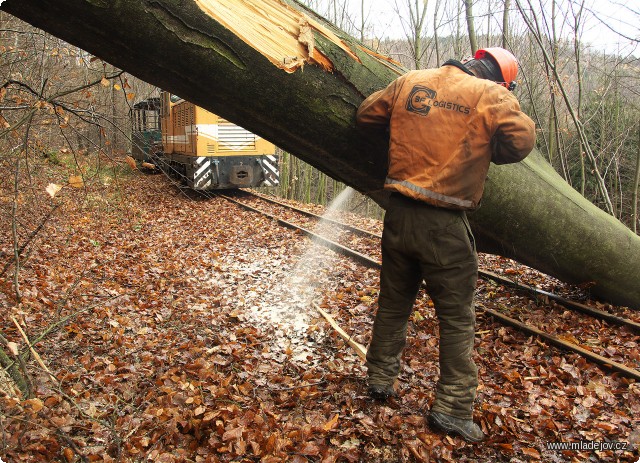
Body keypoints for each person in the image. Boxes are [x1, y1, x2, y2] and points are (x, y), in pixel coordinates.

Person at [356, 47, 536, 443]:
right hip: (445, 224)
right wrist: (490, 145)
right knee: (456, 318)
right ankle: (453, 409)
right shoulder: (492, 95)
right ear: (500, 77)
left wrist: (404, 126)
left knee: (393, 304)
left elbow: (366, 114)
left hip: (399, 214)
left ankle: (379, 381)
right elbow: (520, 143)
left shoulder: (411, 80)